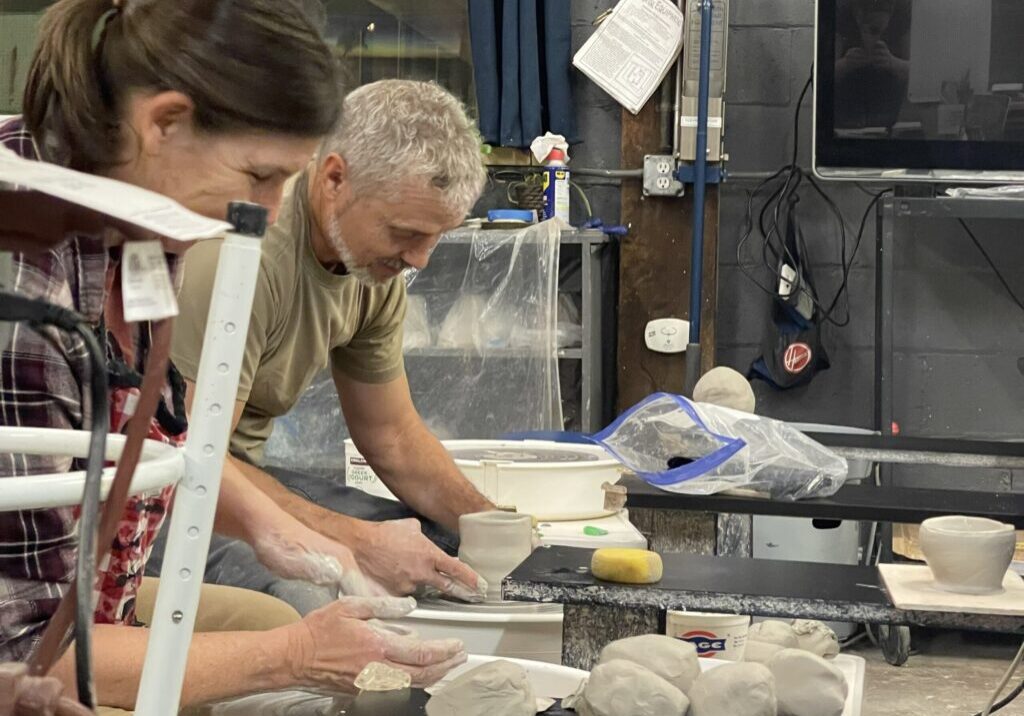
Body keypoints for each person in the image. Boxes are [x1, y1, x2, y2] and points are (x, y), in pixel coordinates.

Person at [0, 1, 464, 712]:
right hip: (31, 653)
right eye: (259, 176)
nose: (272, 212)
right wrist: (295, 658)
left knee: (277, 615)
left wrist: (275, 527)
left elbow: (150, 433)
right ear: (164, 123)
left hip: (85, 603)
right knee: (291, 650)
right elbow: (28, 656)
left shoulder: (145, 218)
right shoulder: (26, 292)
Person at [157, 79, 495, 615]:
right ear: (335, 177)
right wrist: (350, 545)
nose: (420, 260)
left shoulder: (373, 266)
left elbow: (392, 436)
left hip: (234, 471)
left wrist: (493, 524)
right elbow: (187, 459)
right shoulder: (243, 256)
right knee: (310, 594)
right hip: (158, 495)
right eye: (406, 233)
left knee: (436, 547)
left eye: (435, 237)